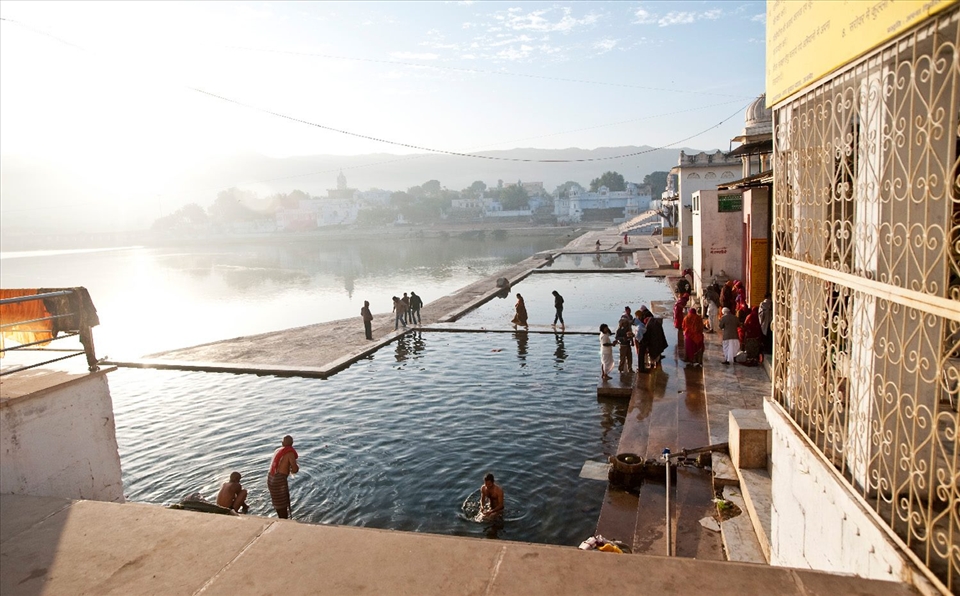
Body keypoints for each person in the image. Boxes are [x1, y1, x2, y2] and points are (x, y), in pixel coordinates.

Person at [267, 435, 299, 519]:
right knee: (283, 503)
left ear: (282, 443)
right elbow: (294, 469)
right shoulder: (289, 453)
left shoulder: (278, 450)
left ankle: (280, 518)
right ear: (292, 444)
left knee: (277, 503)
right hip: (279, 480)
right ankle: (284, 521)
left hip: (270, 478)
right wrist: (296, 467)